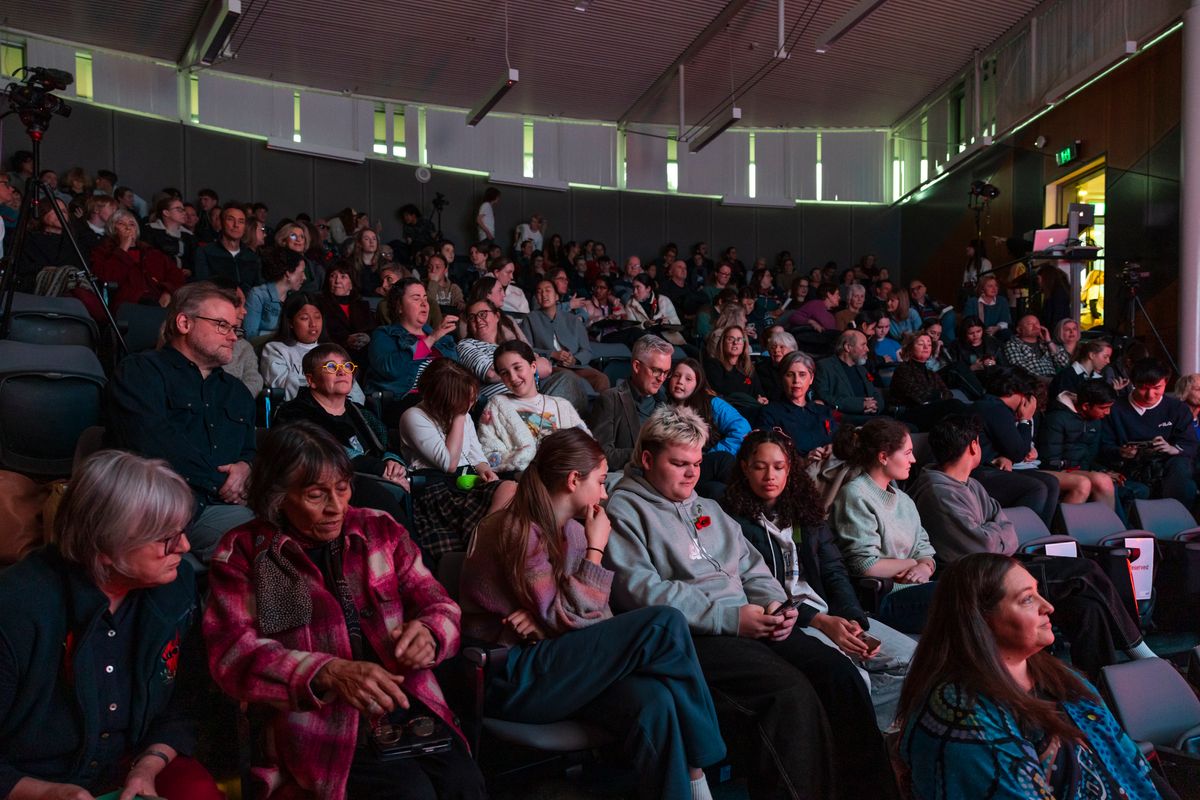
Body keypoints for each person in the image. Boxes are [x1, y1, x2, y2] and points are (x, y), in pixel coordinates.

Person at [605, 406, 899, 800]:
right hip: (693, 636)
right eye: (679, 464)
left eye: (697, 463)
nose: (692, 474)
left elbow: (752, 568)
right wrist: (730, 618)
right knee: (789, 694)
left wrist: (777, 606)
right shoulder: (623, 510)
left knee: (838, 674)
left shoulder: (707, 507)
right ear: (646, 459)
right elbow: (640, 591)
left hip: (750, 620)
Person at [203, 423, 487, 800]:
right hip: (317, 725)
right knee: (409, 793)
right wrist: (328, 672)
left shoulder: (378, 530)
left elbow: (438, 603)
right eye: (315, 494)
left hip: (407, 703)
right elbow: (234, 655)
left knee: (464, 783)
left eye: (342, 488)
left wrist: (430, 632)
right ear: (278, 496)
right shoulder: (250, 554)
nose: (336, 507)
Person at [461, 429, 725, 800]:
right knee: (665, 623)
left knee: (654, 700)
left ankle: (692, 787)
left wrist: (549, 622)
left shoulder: (573, 532)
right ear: (574, 480)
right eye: (601, 482)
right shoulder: (516, 530)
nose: (604, 494)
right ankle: (702, 764)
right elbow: (569, 618)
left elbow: (591, 619)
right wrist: (596, 551)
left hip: (556, 662)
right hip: (510, 676)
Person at [0, 450, 222, 800]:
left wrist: (148, 765)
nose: (185, 546)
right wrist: (43, 793)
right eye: (166, 538)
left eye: (183, 530)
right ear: (106, 546)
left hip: (134, 762)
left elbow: (184, 700)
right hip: (29, 780)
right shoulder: (16, 608)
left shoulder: (174, 586)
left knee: (197, 791)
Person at [898, 554, 1163, 800]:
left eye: (1038, 593)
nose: (1048, 606)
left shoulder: (1063, 677)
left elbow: (1133, 764)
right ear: (980, 619)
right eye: (1027, 599)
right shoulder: (959, 713)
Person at [910, 414, 1154, 677]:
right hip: (977, 577)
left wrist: (994, 533)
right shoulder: (938, 491)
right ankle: (1138, 649)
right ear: (973, 446)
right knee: (1085, 570)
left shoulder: (971, 484)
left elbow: (1007, 529)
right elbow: (985, 545)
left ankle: (1100, 682)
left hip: (998, 565)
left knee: (1087, 607)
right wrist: (996, 532)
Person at [721, 429, 915, 729]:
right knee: (854, 678)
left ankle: (856, 724)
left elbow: (834, 571)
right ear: (745, 468)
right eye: (760, 467)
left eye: (778, 467)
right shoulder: (730, 521)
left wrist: (853, 619)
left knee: (914, 660)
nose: (770, 476)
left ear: (789, 469)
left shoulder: (805, 511)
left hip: (830, 613)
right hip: (791, 622)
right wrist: (821, 622)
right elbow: (754, 589)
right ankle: (854, 731)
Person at [106, 282, 256, 561]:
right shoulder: (140, 372)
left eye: (235, 329)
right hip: (159, 508)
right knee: (262, 543)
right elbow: (149, 443)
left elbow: (249, 449)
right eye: (222, 325)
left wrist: (246, 468)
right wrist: (221, 483)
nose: (233, 337)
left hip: (226, 508)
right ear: (185, 323)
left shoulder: (238, 392)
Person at [274, 344, 412, 522]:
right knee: (377, 495)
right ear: (311, 380)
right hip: (326, 489)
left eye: (347, 366)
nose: (342, 372)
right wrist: (379, 469)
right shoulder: (293, 413)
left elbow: (387, 446)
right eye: (331, 367)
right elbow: (323, 453)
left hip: (379, 481)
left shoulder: (361, 412)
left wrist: (393, 464)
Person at [396, 359, 516, 562]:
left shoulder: (462, 414)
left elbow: (476, 455)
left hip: (466, 481)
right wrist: (459, 416)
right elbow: (449, 464)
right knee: (509, 491)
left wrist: (485, 470)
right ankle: (481, 545)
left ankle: (483, 541)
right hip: (437, 490)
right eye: (465, 400)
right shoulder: (414, 416)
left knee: (513, 495)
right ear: (444, 399)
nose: (471, 404)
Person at [830, 419, 938, 633]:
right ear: (883, 457)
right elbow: (864, 565)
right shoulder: (855, 495)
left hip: (916, 587)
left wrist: (924, 567)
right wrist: (912, 562)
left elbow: (924, 548)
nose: (914, 459)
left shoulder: (904, 500)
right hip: (883, 597)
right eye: (907, 453)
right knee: (956, 594)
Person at [968, 366, 1064, 524]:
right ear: (1018, 392)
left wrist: (1005, 456)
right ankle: (1020, 534)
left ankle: (1040, 534)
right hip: (977, 473)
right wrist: (1025, 419)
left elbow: (1011, 450)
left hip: (992, 467)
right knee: (1036, 487)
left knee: (1051, 482)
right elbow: (1019, 452)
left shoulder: (993, 406)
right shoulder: (995, 409)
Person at [477, 341, 590, 473]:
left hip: (568, 475)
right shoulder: (496, 406)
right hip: (524, 478)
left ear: (533, 367)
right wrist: (524, 460)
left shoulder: (561, 405)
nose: (513, 377)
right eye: (505, 373)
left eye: (517, 368)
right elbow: (489, 452)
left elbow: (586, 444)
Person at [1101, 359, 1199, 508]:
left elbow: (1190, 443)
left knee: (1181, 467)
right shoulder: (1114, 409)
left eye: (1157, 388)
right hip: (1129, 466)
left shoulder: (1177, 409)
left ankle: (1176, 515)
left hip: (1168, 466)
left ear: (1166, 382)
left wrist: (1173, 449)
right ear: (1133, 383)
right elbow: (1103, 445)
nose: (1150, 395)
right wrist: (1120, 452)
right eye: (1143, 388)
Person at [261, 293, 365, 404]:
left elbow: (356, 393)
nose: (313, 324)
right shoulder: (275, 349)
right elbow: (285, 391)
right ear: (290, 322)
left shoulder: (333, 351)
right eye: (304, 318)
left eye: (317, 317)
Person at [588, 334, 672, 469]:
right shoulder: (610, 399)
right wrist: (648, 456)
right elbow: (601, 455)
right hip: (628, 474)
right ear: (637, 366)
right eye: (656, 371)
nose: (661, 379)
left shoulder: (665, 401)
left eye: (666, 372)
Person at [364, 278, 459, 398]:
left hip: (445, 398)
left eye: (425, 298)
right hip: (407, 400)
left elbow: (457, 374)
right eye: (416, 298)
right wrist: (431, 339)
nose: (424, 303)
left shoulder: (441, 337)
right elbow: (391, 370)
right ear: (399, 306)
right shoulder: (384, 334)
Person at [90, 209, 187, 312]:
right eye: (121, 224)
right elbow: (106, 276)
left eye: (131, 224)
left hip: (158, 300)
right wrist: (123, 248)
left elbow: (176, 274)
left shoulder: (151, 252)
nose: (127, 227)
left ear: (136, 230)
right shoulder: (104, 251)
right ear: (112, 229)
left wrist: (168, 292)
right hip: (128, 304)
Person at [524, 279, 610, 394]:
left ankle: (599, 406)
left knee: (601, 379)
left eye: (548, 290)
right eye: (539, 292)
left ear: (556, 296)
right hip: (550, 367)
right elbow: (526, 350)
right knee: (569, 377)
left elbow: (586, 350)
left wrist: (574, 359)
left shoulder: (572, 320)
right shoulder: (530, 319)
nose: (544, 295)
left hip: (574, 366)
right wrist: (552, 354)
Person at [759, 351, 839, 460]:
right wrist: (804, 460)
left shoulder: (823, 411)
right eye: (790, 375)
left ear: (811, 379)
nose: (796, 380)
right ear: (781, 378)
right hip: (796, 468)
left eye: (802, 375)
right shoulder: (770, 413)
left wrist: (833, 447)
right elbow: (768, 454)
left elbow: (838, 440)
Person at [887, 332, 966, 430]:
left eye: (929, 344)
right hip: (908, 414)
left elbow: (948, 394)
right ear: (910, 348)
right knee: (954, 405)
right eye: (921, 344)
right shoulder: (903, 369)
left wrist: (935, 395)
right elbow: (919, 395)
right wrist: (938, 395)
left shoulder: (931, 373)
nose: (926, 347)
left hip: (929, 410)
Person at [814, 330, 885, 424]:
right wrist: (860, 405)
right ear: (848, 347)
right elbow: (824, 397)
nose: (867, 349)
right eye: (863, 345)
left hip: (870, 415)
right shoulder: (825, 367)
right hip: (846, 419)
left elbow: (875, 392)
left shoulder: (862, 369)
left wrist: (876, 406)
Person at [193, 204, 261, 293]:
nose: (236, 225)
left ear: (245, 227)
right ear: (221, 223)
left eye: (241, 221)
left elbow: (258, 288)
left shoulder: (251, 256)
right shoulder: (205, 252)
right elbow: (203, 285)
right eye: (230, 219)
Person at [243, 247, 307, 339]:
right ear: (288, 273)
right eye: (302, 272)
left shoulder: (293, 298)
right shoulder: (258, 295)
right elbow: (250, 335)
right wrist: (281, 336)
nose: (304, 277)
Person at [703, 324, 767, 414]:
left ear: (744, 344)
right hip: (728, 411)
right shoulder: (713, 364)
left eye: (739, 339)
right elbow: (721, 392)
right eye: (730, 339)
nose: (735, 342)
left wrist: (761, 399)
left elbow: (759, 392)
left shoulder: (748, 367)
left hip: (752, 410)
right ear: (723, 343)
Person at [318, 264, 376, 357]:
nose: (337, 281)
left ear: (351, 284)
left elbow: (371, 330)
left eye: (343, 276)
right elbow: (323, 334)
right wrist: (346, 340)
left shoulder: (363, 306)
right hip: (334, 354)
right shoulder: (320, 304)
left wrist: (367, 337)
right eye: (333, 276)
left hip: (363, 354)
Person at [1001, 314, 1071, 379]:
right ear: (1019, 329)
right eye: (1030, 324)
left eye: (1037, 323)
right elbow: (1019, 368)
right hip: (1031, 382)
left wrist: (1049, 341)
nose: (1035, 326)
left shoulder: (1046, 344)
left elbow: (1064, 363)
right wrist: (1046, 380)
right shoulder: (1013, 344)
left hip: (1053, 380)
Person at [143, 195, 197, 273]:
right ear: (166, 213)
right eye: (179, 209)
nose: (184, 213)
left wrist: (189, 270)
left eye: (183, 210)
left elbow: (194, 260)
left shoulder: (189, 236)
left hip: (184, 277)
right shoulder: (150, 231)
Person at [964, 274, 1012, 339]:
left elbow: (1004, 320)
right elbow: (968, 322)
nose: (994, 288)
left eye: (996, 285)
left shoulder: (1002, 301)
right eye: (990, 286)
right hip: (977, 333)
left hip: (997, 331)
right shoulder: (973, 302)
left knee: (1006, 333)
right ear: (982, 289)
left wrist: (996, 328)